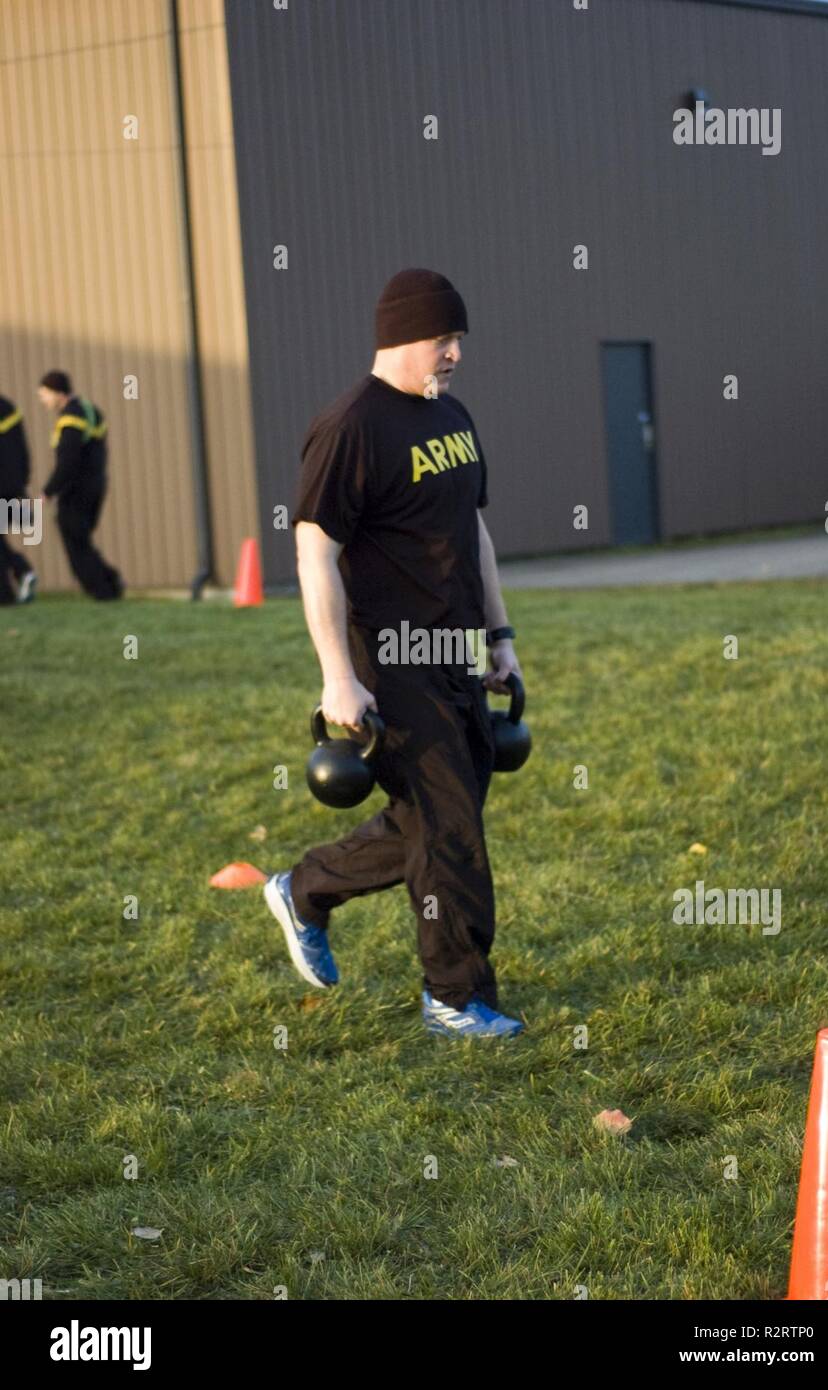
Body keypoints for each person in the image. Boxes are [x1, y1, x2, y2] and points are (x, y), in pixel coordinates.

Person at [264, 268, 526, 1038]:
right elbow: (314, 553)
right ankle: (455, 996)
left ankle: (305, 888)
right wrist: (337, 678)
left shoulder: (452, 418)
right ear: (400, 336)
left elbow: (472, 534)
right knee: (450, 833)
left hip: (456, 652)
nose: (454, 356)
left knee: (434, 817)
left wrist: (501, 639)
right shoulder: (351, 426)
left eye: (458, 341)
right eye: (443, 340)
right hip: (391, 660)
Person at [37, 370, 124, 600]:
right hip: (96, 485)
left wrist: (48, 491)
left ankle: (104, 590)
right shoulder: (90, 410)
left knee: (76, 543)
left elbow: (68, 460)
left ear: (57, 393)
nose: (42, 400)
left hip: (77, 490)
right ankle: (110, 582)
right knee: (82, 540)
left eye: (44, 394)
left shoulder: (70, 418)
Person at [0, 394, 38, 604]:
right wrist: (22, 482)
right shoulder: (8, 407)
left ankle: (12, 584)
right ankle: (21, 572)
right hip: (13, 483)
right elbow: (22, 449)